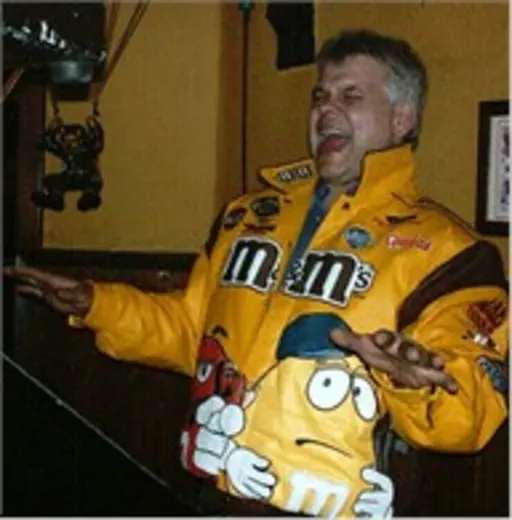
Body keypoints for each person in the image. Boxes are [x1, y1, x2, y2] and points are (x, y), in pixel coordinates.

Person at [6, 29, 508, 518]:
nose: (325, 109)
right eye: (320, 95)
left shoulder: (452, 254)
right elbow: (192, 332)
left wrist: (413, 381)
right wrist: (95, 303)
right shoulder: (246, 216)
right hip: (212, 496)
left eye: (351, 96)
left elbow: (469, 415)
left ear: (402, 118)